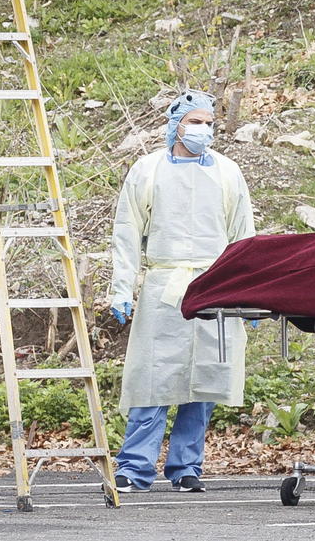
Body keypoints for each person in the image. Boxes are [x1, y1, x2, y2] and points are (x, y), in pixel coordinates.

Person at [109, 89, 255, 493]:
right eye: (195, 122)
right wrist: (122, 288)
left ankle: (187, 466)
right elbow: (126, 232)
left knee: (204, 379)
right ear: (176, 125)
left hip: (215, 284)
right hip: (164, 285)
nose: (203, 130)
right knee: (152, 378)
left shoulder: (227, 173)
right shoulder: (147, 171)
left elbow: (244, 237)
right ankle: (134, 466)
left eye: (209, 123)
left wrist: (250, 293)